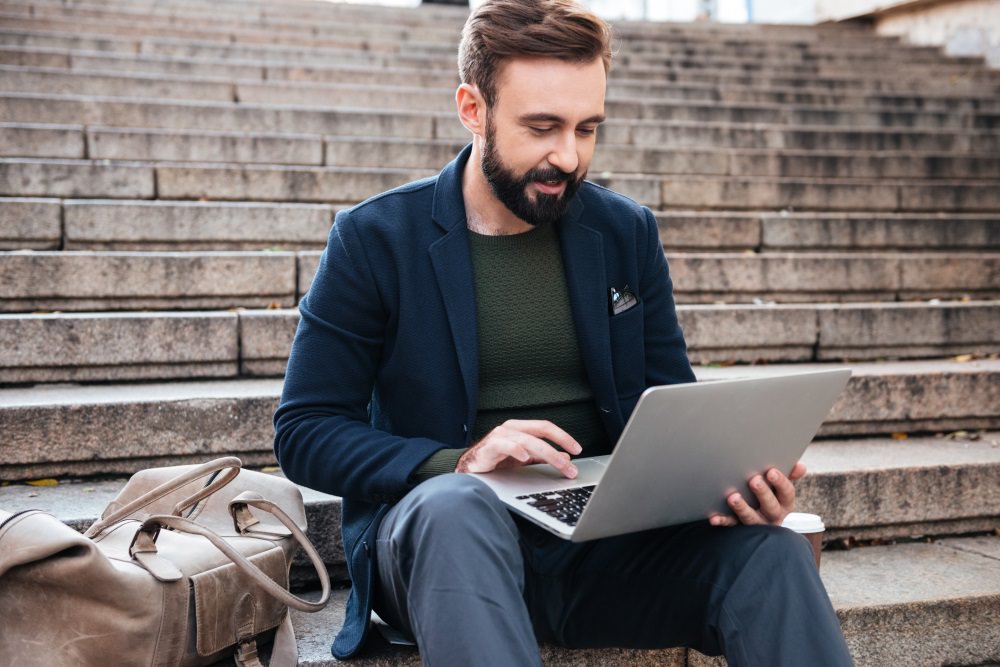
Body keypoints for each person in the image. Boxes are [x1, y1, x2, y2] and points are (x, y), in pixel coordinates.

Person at [273, 1, 854, 665]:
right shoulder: (375, 239)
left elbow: (666, 402)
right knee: (458, 506)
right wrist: (457, 460)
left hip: (600, 551)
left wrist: (727, 481)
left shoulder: (625, 231)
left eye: (587, 128)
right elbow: (306, 428)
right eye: (542, 127)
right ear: (473, 108)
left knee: (773, 554)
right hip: (442, 545)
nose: (568, 156)